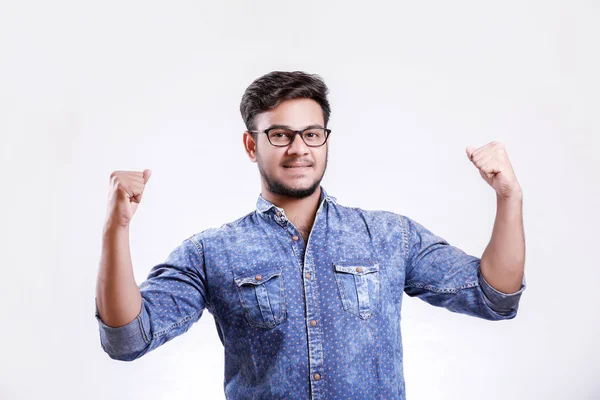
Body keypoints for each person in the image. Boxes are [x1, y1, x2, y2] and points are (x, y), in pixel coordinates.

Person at [95, 71, 527, 399]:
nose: (299, 148)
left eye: (311, 134)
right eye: (280, 134)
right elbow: (128, 338)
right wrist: (117, 228)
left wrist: (509, 197)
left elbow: (494, 296)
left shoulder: (388, 236)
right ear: (252, 145)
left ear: (325, 141)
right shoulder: (212, 252)